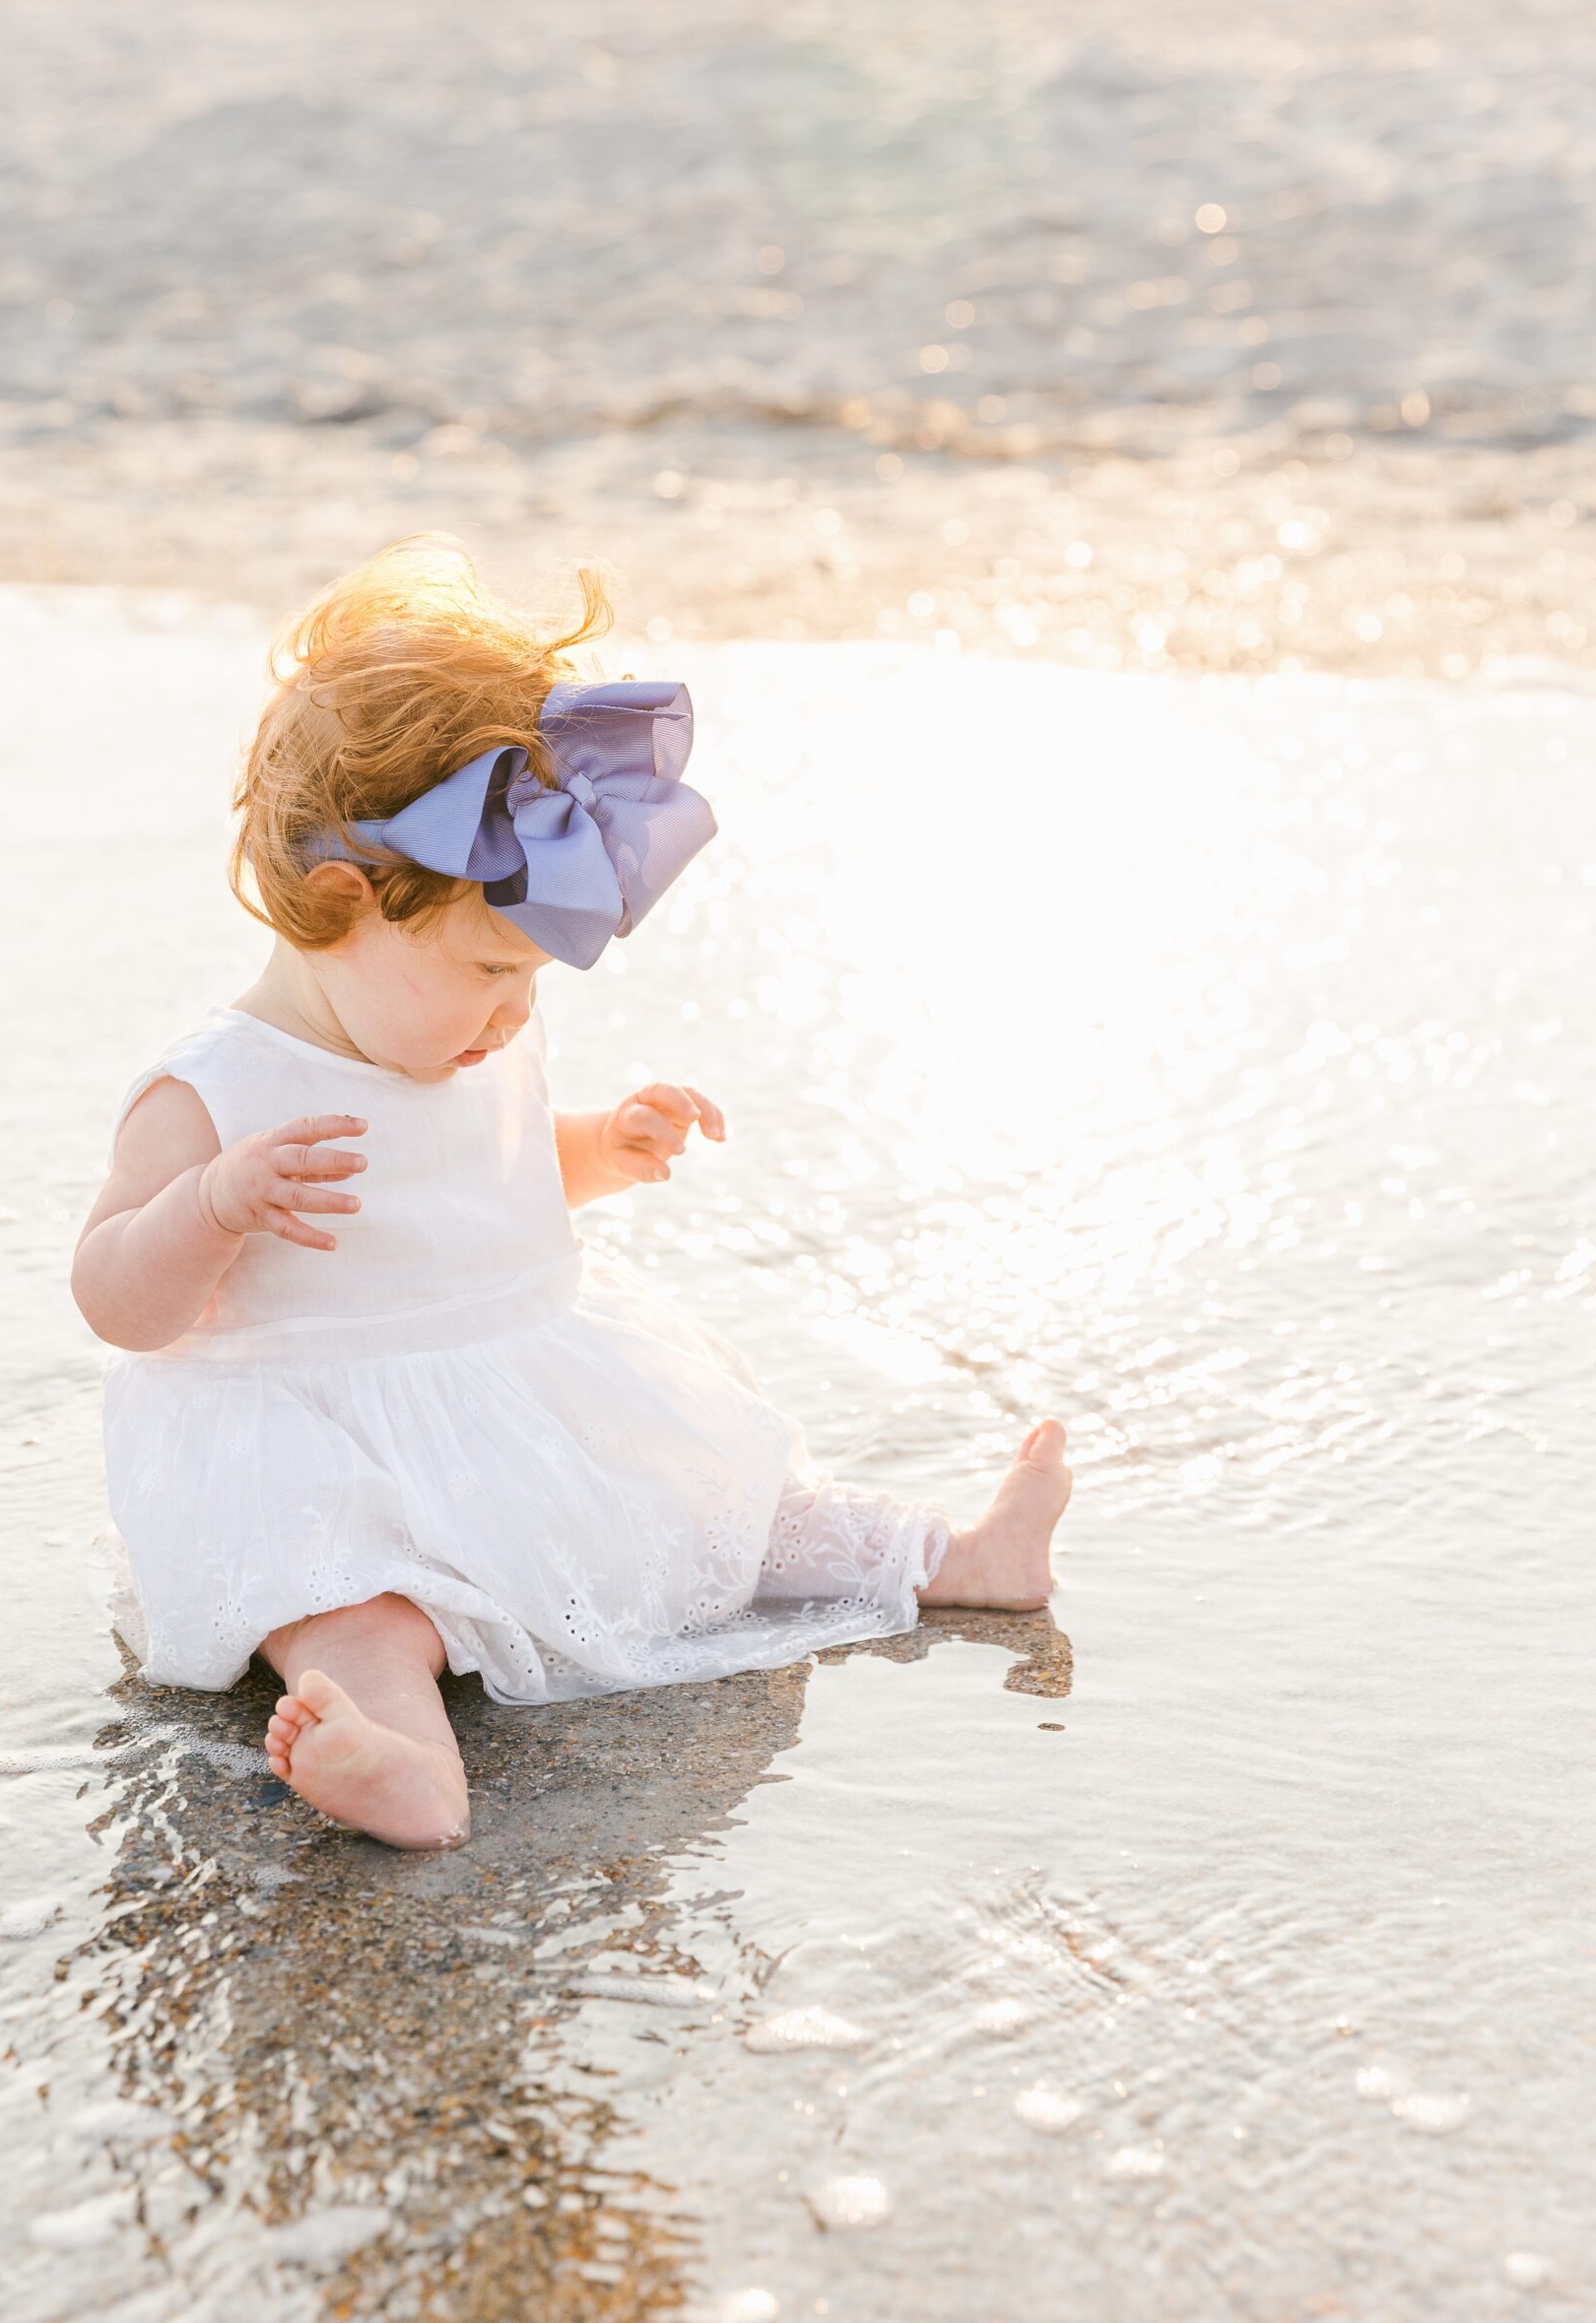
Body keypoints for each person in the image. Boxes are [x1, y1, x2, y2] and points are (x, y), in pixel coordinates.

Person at [72, 538, 1072, 1850]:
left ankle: (963, 1559)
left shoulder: (470, 1030)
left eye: (533, 979)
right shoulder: (214, 1093)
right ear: (344, 899)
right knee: (358, 1622)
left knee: (730, 1510)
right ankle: (406, 1774)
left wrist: (606, 1142)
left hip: (524, 1405)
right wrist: (208, 1207)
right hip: (322, 1457)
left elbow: (489, 1186)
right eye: (492, 969)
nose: (514, 1012)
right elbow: (114, 1301)